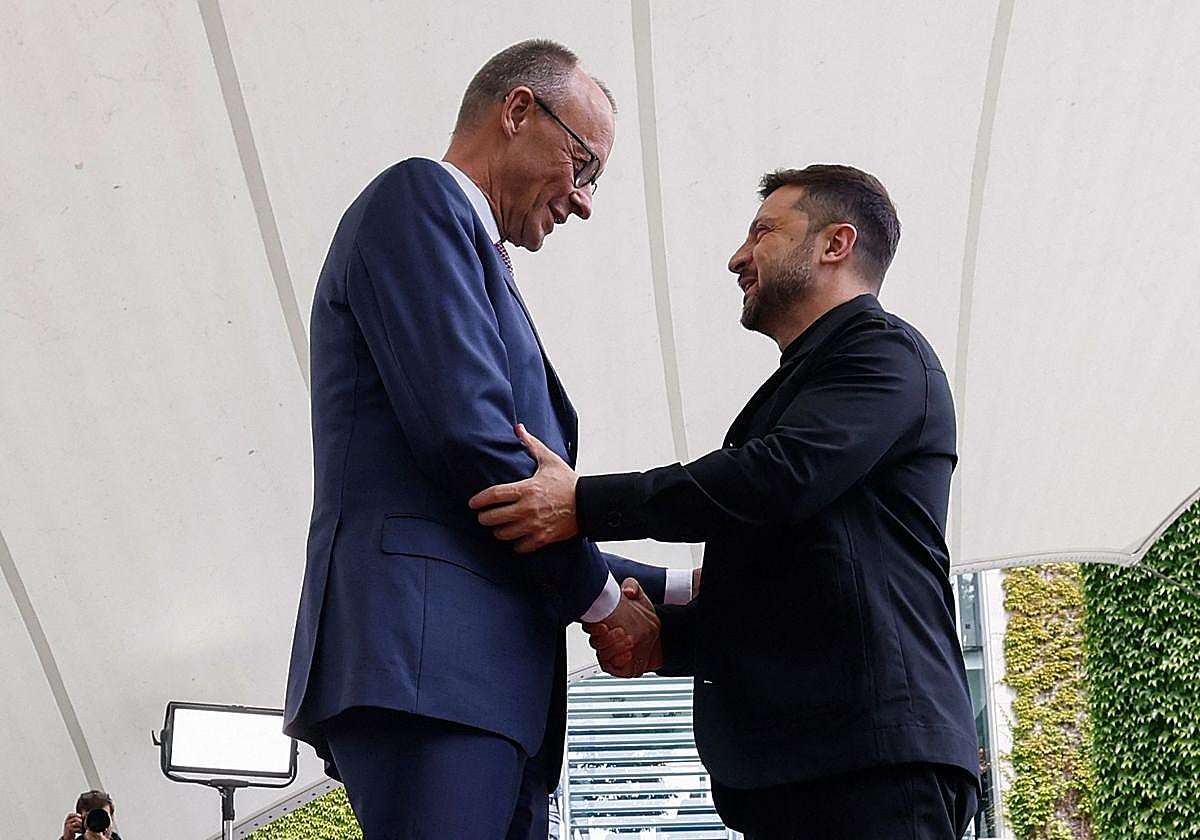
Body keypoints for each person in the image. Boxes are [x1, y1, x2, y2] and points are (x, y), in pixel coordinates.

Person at [471, 165, 981, 838]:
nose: (738, 257)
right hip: (797, 773)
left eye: (764, 231)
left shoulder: (884, 356)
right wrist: (667, 640)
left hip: (869, 766)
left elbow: (777, 479)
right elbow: (793, 576)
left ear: (836, 244)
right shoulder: (807, 386)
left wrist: (583, 503)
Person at [283, 39, 689, 840]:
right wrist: (605, 604)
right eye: (584, 166)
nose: (583, 202)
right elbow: (471, 443)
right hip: (428, 666)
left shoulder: (475, 256)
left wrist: (676, 589)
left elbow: (532, 506)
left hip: (482, 684)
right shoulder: (418, 199)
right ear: (516, 112)